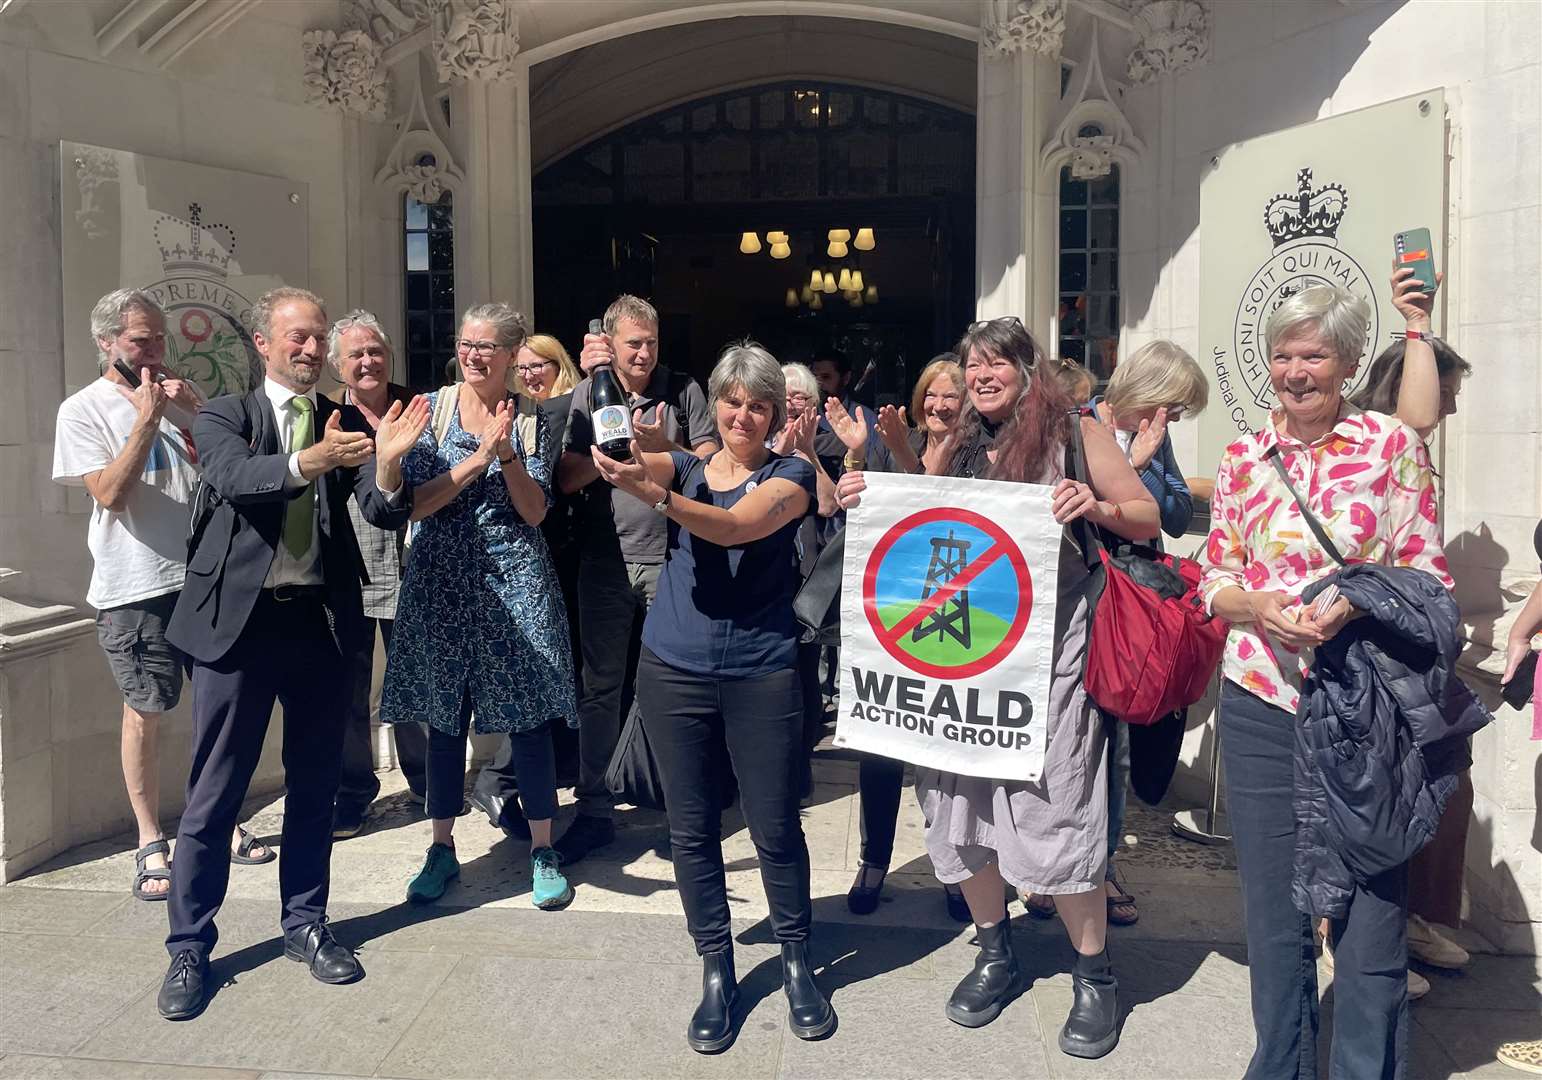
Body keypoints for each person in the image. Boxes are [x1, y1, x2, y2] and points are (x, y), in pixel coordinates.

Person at [836, 316, 1159, 1059]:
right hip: (969, 662)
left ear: (1026, 368)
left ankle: (1093, 975)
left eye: (995, 364)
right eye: (970, 364)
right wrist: (871, 489)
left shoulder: (1076, 434)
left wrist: (1096, 507)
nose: (980, 376)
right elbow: (928, 525)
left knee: (1060, 802)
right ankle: (994, 952)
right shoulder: (962, 443)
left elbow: (1144, 515)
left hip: (1055, 662)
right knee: (959, 805)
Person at [1199, 284, 1452, 1079]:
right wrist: (1255, 607)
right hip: (1262, 699)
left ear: (1346, 364)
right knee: (1274, 913)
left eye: (1314, 355)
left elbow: (1426, 573)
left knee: (1373, 918)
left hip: (1365, 708)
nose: (1296, 371)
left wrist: (1352, 602)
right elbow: (1216, 571)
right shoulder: (1244, 458)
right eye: (1283, 354)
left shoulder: (1391, 447)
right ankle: (1282, 1064)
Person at [156, 287, 427, 1020]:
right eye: (297, 339)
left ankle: (305, 924)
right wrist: (310, 460)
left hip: (318, 627)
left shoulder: (340, 423)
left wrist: (391, 465)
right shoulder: (227, 414)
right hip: (235, 635)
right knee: (215, 794)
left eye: (317, 340)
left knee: (315, 789)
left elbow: (376, 509)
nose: (310, 351)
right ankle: (190, 946)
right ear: (264, 343)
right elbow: (237, 478)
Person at [590, 343, 833, 1053]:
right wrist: (635, 457)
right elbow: (650, 463)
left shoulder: (788, 476)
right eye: (733, 400)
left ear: (776, 414)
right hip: (674, 669)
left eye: (759, 405)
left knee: (774, 825)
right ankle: (717, 967)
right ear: (718, 403)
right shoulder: (689, 464)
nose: (744, 415)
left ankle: (795, 959)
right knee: (690, 829)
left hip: (761, 672)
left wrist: (658, 495)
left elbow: (733, 525)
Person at [51, 289, 272, 903]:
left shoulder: (178, 398)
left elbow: (226, 472)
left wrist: (192, 415)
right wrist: (146, 419)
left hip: (201, 580)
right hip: (135, 586)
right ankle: (150, 839)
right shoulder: (83, 410)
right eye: (139, 341)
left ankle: (213, 820)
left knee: (218, 708)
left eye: (158, 339)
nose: (153, 352)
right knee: (145, 713)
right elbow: (110, 494)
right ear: (105, 342)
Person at [381, 303, 577, 910]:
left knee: (530, 717)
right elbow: (413, 504)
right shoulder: (430, 409)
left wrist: (508, 454)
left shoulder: (533, 419)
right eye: (466, 342)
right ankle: (441, 847)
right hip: (442, 577)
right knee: (445, 720)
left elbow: (536, 511)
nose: (472, 354)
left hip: (515, 575)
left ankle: (543, 847)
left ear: (513, 353)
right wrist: (476, 459)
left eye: (486, 346)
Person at [1026, 339, 1209, 927]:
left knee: (1115, 745)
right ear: (1151, 392)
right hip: (1073, 599)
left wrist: (1144, 463)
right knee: (1067, 741)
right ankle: (1052, 866)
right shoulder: (1079, 426)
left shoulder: (1157, 440)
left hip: (1130, 604)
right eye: (1174, 405)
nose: (1174, 418)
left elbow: (1174, 515)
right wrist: (1123, 468)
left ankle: (1099, 868)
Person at [1343, 267, 1474, 995]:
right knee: (1374, 790)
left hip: (1417, 636)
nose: (1450, 406)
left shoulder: (1409, 453)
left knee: (1443, 782)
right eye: (1445, 389)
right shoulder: (1382, 442)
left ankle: (1410, 921)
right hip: (1370, 643)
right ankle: (1351, 937)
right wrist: (1415, 325)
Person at [556, 295, 718, 865]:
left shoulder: (685, 391)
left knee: (675, 688)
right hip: (605, 561)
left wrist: (658, 448)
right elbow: (566, 478)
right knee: (599, 689)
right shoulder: (586, 393)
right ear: (611, 343)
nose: (645, 353)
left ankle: (683, 815)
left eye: (651, 342)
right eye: (633, 344)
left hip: (673, 556)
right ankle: (594, 808)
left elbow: (709, 470)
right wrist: (607, 454)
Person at [845, 355, 972, 922]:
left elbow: (946, 514)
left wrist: (901, 456)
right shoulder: (885, 442)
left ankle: (955, 867)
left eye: (952, 396)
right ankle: (874, 861)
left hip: (960, 627)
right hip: (895, 618)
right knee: (880, 745)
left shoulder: (982, 454)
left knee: (947, 753)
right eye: (933, 395)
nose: (941, 406)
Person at [470, 331, 583, 839]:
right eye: (526, 367)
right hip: (530, 561)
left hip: (570, 558)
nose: (533, 374)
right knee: (534, 683)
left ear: (564, 367)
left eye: (545, 365)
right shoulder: (526, 417)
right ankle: (498, 780)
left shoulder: (565, 413)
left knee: (558, 681)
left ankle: (544, 777)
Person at [324, 311, 428, 836]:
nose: (367, 362)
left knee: (413, 682)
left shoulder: (421, 408)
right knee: (347, 688)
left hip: (415, 565)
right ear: (337, 367)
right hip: (351, 568)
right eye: (355, 355)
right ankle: (352, 792)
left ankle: (429, 782)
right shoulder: (327, 418)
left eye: (375, 352)